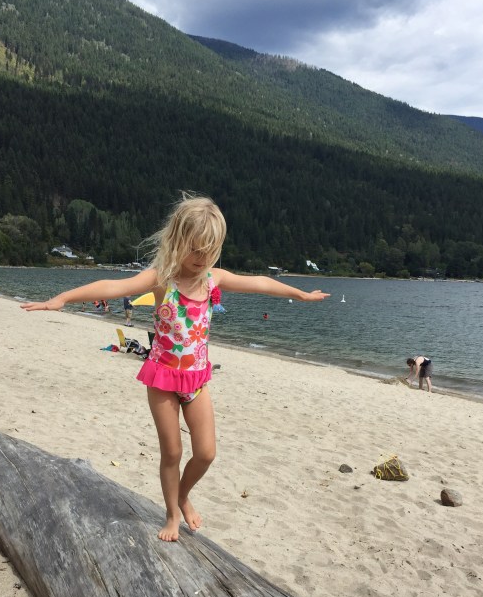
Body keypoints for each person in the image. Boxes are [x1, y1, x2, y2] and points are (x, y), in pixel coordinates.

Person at [21, 195, 330, 541]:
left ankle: (183, 495)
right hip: (163, 377)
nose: (201, 258)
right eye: (195, 249)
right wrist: (62, 298)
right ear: (177, 241)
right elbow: (114, 286)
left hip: (196, 378)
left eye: (209, 250)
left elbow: (261, 283)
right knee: (172, 452)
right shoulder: (162, 279)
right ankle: (171, 514)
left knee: (206, 453)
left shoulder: (213, 279)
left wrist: (300, 295)